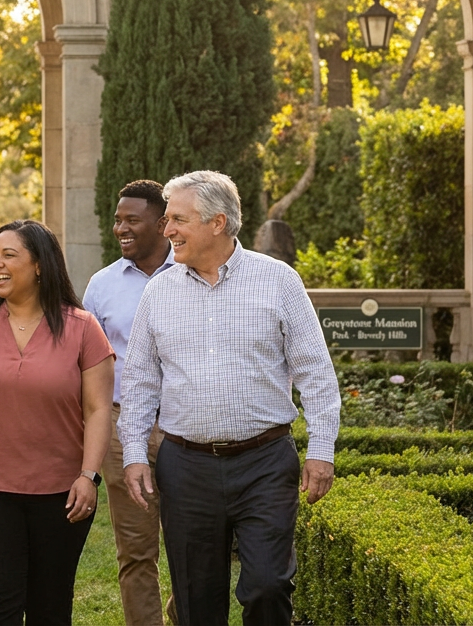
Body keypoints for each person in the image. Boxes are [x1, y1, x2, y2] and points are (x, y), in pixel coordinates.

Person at [118, 171, 341, 626]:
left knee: (267, 586)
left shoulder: (278, 281)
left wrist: (321, 450)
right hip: (186, 467)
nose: (167, 230)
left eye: (178, 219)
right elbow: (139, 381)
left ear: (218, 222)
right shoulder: (159, 292)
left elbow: (316, 371)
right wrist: (135, 454)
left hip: (264, 463)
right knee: (197, 600)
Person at [0, 219, 114, 625]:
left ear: (40, 265)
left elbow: (99, 408)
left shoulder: (83, 329)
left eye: (9, 255)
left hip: (62, 494)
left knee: (50, 606)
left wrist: (89, 475)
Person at [81, 179, 174, 626]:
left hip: (186, 428)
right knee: (136, 552)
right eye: (117, 220)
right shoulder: (101, 286)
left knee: (195, 545)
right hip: (124, 429)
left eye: (131, 220)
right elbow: (84, 365)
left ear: (162, 223)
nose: (121, 228)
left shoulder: (192, 272)